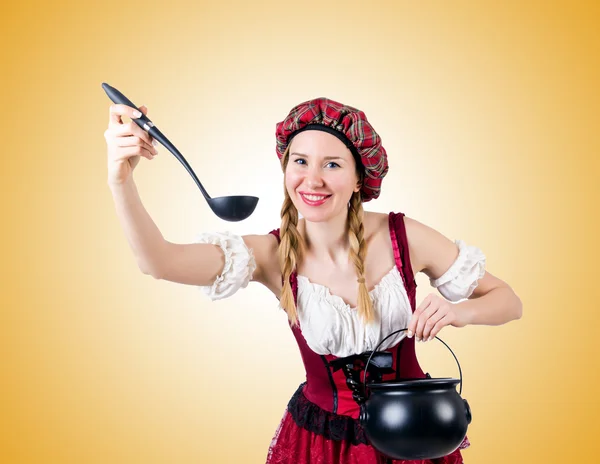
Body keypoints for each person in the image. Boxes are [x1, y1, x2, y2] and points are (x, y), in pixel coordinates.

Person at [104, 97, 523, 464]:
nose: (313, 179)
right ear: (286, 168)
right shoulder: (271, 254)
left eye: (332, 164)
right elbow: (158, 262)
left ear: (360, 178)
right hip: (319, 444)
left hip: (414, 434)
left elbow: (508, 301)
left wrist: (458, 310)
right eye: (300, 161)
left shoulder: (404, 237)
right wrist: (120, 180)